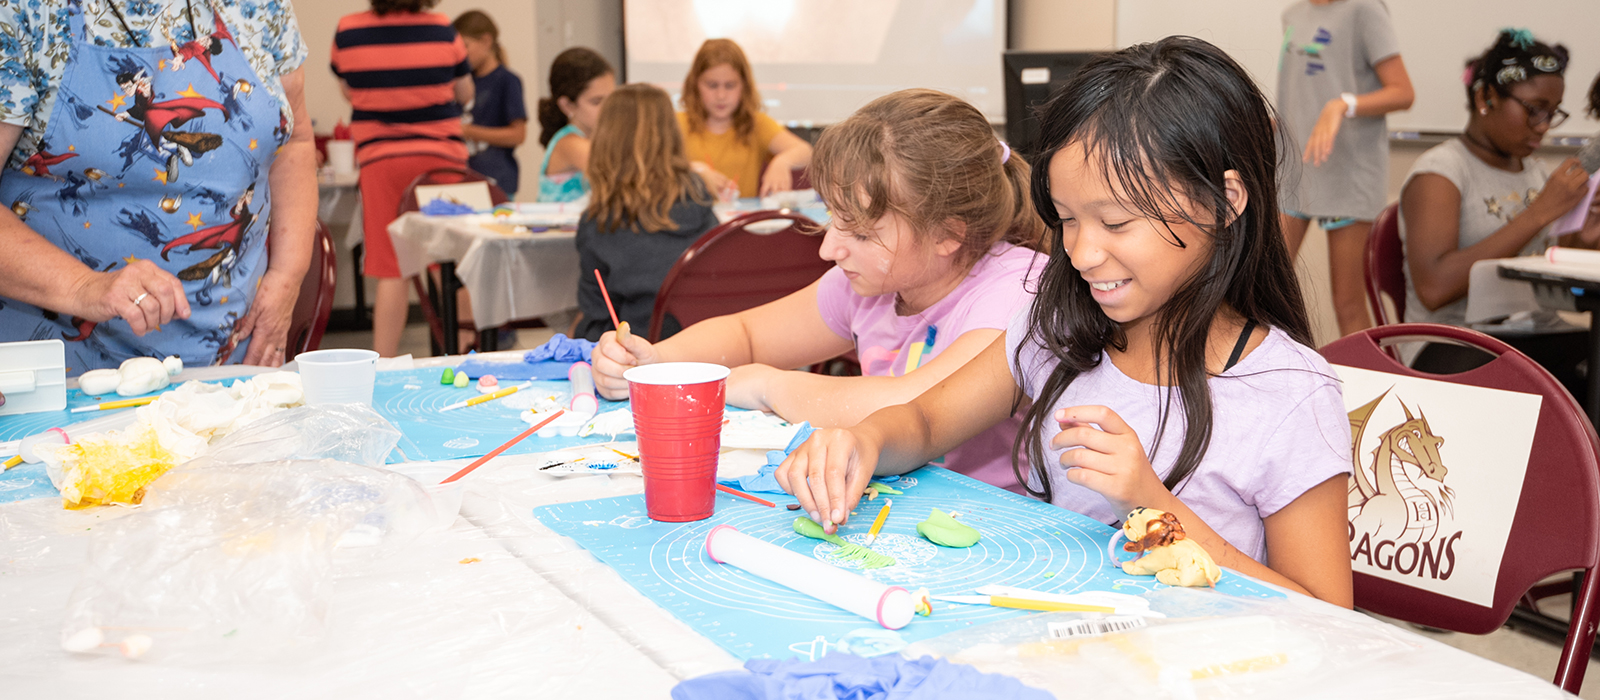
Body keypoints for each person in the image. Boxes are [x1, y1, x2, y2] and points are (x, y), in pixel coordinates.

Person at [772, 38, 1354, 606]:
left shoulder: (1289, 395)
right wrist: (863, 441)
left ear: (1225, 202)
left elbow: (1331, 620)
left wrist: (1152, 507)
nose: (1081, 253)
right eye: (1068, 220)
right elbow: (926, 421)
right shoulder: (1058, 330)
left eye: (1117, 223)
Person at [594, 89, 1046, 493]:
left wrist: (768, 384)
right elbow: (748, 334)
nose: (830, 249)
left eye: (862, 234)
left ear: (948, 235)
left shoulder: (1018, 292)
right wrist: (657, 362)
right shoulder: (876, 280)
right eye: (833, 219)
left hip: (999, 524)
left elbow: (913, 407)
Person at [0, 0, 317, 371]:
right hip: (64, 370)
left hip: (232, 366)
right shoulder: (25, 12)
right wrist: (82, 287)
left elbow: (295, 142)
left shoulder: (260, 7)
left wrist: (287, 276)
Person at [1401, 30, 1599, 401]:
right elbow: (1434, 287)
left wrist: (1584, 235)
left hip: (1533, 334)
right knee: (1535, 388)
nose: (1543, 125)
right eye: (1534, 109)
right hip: (1452, 339)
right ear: (1485, 97)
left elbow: (1550, 265)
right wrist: (1538, 212)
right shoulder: (1441, 172)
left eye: (1553, 113)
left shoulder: (1536, 173)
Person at [331, 0, 474, 358]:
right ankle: (470, 354)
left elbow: (349, 90)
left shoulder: (349, 30)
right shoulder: (442, 29)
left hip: (381, 163)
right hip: (441, 162)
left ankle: (385, 365)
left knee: (391, 269)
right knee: (449, 263)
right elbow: (465, 92)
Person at [1277, 0, 1414, 338]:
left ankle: (1369, 386)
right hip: (1297, 169)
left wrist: (1344, 104)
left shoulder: (1364, 10)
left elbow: (1403, 92)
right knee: (1265, 286)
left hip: (1348, 174)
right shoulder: (1293, 14)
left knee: (1347, 302)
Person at [575, 84, 717, 342]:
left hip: (640, 358)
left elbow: (597, 321)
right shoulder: (701, 202)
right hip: (710, 352)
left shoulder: (599, 224)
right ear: (672, 137)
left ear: (604, 141)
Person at [678, 39, 812, 199]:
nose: (721, 96)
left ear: (744, 85)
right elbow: (650, 164)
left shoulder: (756, 124)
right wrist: (695, 170)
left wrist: (783, 162)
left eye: (730, 85)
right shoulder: (676, 123)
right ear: (695, 84)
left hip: (740, 221)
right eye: (712, 85)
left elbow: (806, 151)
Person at [454, 10, 527, 197]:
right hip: (463, 179)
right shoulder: (463, 82)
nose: (460, 55)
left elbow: (518, 134)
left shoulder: (507, 81)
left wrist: (469, 132)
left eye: (465, 46)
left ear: (486, 41)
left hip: (497, 181)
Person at [536, 48, 615, 203]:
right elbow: (621, 179)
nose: (608, 109)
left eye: (612, 99)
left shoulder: (593, 139)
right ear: (568, 105)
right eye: (597, 102)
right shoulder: (570, 143)